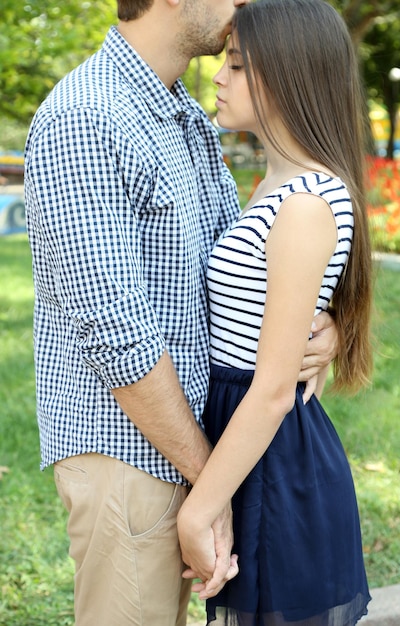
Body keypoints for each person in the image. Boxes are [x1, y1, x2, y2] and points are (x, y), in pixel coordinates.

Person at [24, 0, 339, 624]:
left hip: (193, 449)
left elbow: (235, 270)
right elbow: (114, 332)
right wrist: (208, 486)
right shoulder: (87, 117)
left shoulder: (183, 116)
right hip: (131, 455)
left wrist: (319, 328)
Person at [177, 0, 373, 624]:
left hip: (275, 458)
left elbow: (270, 392)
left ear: (287, 75)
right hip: (248, 441)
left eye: (236, 65)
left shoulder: (305, 202)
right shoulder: (274, 188)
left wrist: (198, 510)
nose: (216, 75)